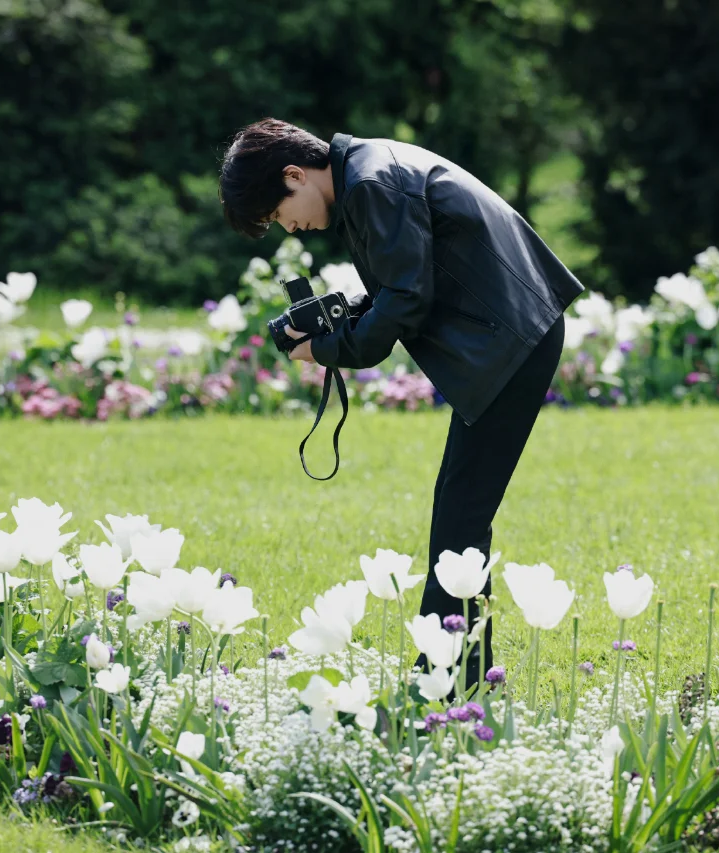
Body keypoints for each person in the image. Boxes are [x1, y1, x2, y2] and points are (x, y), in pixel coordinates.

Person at [218, 117, 584, 687]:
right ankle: (459, 666)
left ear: (295, 174)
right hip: (514, 329)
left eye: (278, 213)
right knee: (461, 505)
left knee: (462, 508)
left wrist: (326, 348)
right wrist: (338, 323)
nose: (290, 229)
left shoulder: (369, 184)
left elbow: (407, 301)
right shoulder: (367, 173)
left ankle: (445, 672)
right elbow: (403, 284)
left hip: (515, 334)